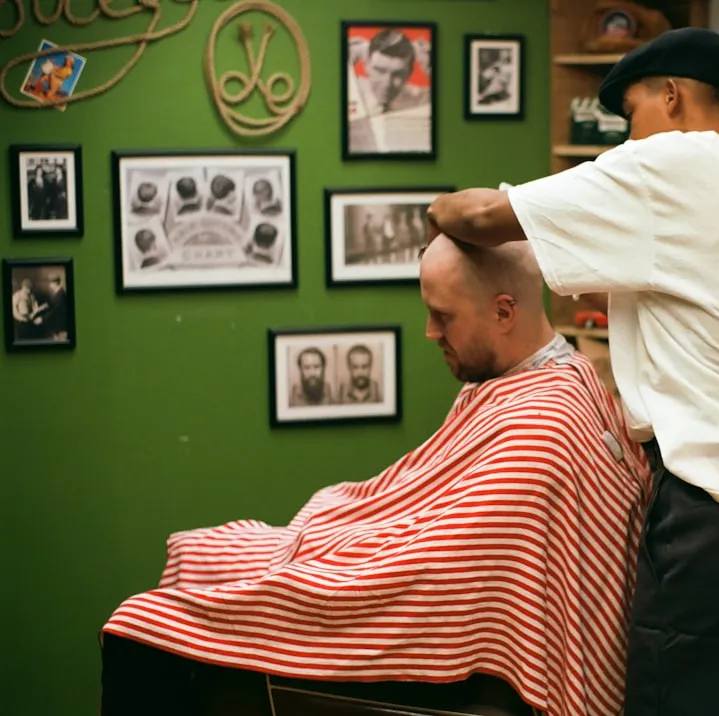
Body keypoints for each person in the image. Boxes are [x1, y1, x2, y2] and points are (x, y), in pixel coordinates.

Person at [425, 27, 719, 716]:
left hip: (718, 520)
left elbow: (477, 213)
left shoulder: (671, 163)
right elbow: (699, 293)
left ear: (671, 96)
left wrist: (434, 213)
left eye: (632, 115)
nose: (627, 138)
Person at [99, 236, 652, 716]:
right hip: (402, 559)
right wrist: (341, 534)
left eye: (444, 316)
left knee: (148, 626)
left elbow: (431, 575)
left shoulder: (544, 431)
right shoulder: (553, 376)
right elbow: (432, 511)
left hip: (445, 649)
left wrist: (312, 573)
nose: (430, 332)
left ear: (504, 312)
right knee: (203, 555)